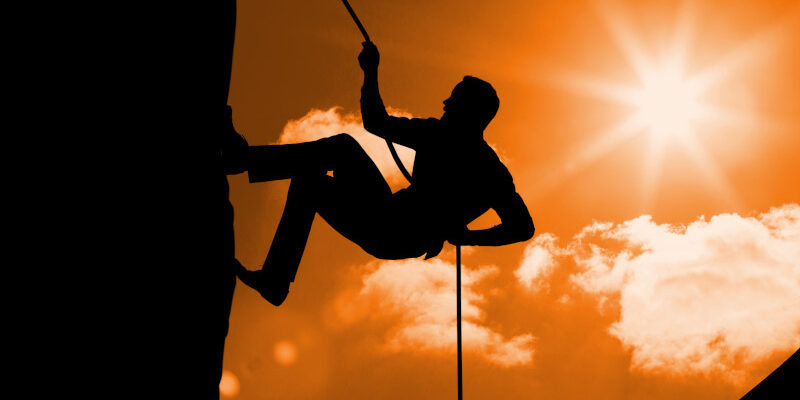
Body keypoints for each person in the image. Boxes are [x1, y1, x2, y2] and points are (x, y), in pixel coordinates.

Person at [237, 42, 534, 306]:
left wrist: (371, 70)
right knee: (321, 169)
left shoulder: (450, 143)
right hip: (391, 221)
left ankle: (243, 163)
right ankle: (275, 279)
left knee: (324, 166)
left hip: (390, 228)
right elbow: (522, 227)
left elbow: (376, 122)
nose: (445, 104)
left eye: (452, 100)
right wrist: (468, 237)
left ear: (464, 109)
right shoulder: (487, 166)